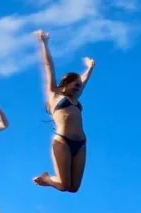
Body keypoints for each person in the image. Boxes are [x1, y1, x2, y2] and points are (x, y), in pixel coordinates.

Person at [31, 30, 95, 193]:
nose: (78, 86)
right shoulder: (54, 94)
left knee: (74, 188)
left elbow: (84, 81)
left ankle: (50, 180)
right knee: (62, 185)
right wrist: (43, 43)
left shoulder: (75, 99)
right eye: (74, 84)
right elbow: (48, 67)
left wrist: (90, 67)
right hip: (62, 141)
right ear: (65, 84)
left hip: (81, 143)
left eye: (79, 85)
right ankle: (47, 178)